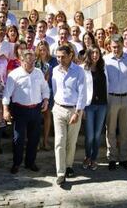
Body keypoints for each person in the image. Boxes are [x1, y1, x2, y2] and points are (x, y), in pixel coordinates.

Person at [3, 50, 50, 174]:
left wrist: (45, 100)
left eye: (33, 61)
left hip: (35, 110)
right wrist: (5, 110)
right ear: (21, 61)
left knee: (34, 138)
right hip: (20, 110)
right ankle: (17, 163)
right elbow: (6, 94)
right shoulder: (14, 75)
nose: (31, 64)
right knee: (18, 139)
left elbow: (45, 89)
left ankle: (30, 162)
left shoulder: (39, 73)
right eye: (29, 62)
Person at [52, 45, 87, 185]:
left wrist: (77, 112)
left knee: (71, 142)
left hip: (74, 110)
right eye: (58, 57)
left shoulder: (79, 71)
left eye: (63, 57)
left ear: (70, 56)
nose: (60, 59)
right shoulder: (55, 70)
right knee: (59, 141)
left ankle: (68, 166)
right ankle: (60, 173)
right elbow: (55, 90)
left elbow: (82, 93)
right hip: (59, 109)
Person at [104, 34, 127, 171]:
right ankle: (112, 158)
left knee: (124, 129)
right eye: (113, 47)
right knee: (110, 129)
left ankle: (123, 158)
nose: (116, 49)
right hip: (112, 97)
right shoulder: (105, 60)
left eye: (118, 46)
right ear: (110, 47)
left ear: (123, 45)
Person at [81, 46, 108, 171]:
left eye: (97, 53)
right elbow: (80, 89)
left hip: (102, 105)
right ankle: (87, 156)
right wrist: (81, 108)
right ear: (89, 54)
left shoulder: (104, 68)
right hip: (89, 106)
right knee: (90, 135)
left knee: (97, 135)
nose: (95, 55)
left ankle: (94, 158)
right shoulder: (83, 69)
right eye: (92, 53)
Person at [35, 41, 56, 150]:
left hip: (50, 90)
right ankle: (37, 141)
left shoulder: (53, 61)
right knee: (37, 117)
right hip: (37, 91)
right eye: (40, 49)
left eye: (44, 49)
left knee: (47, 115)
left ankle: (45, 141)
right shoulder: (35, 61)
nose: (42, 51)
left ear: (48, 49)